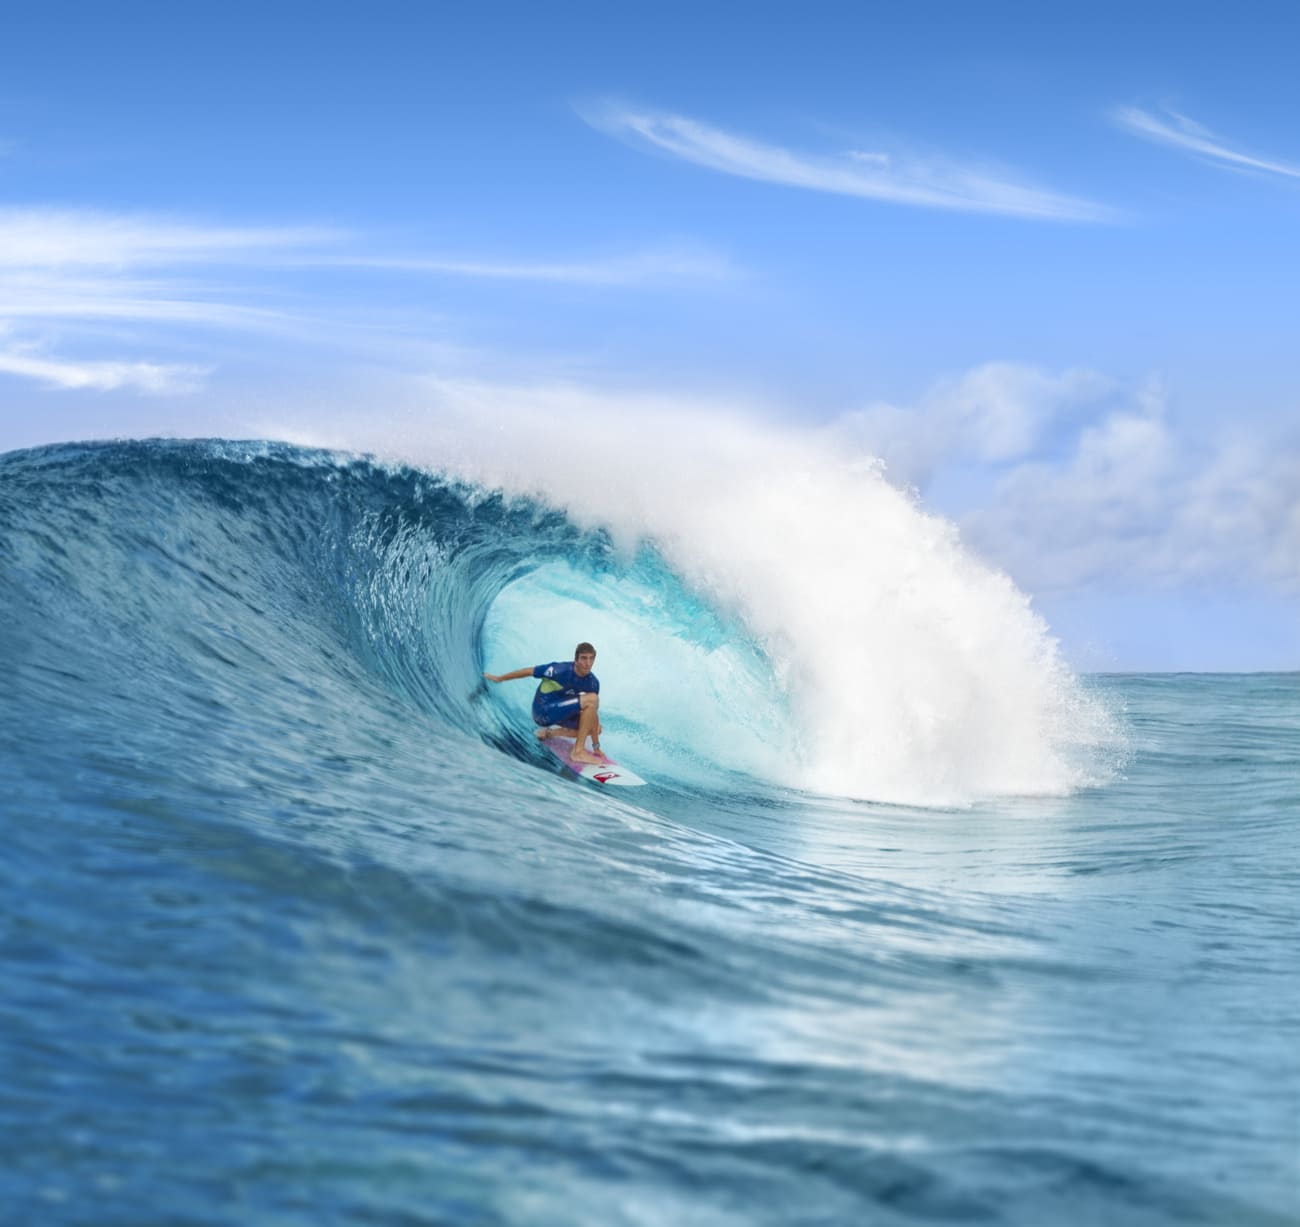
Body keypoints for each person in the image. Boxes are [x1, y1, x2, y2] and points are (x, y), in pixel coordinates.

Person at [483, 642, 605, 764]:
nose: (588, 663)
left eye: (591, 658)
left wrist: (596, 747)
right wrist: (499, 678)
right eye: (584, 658)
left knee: (594, 726)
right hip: (542, 711)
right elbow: (528, 671)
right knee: (592, 699)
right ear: (576, 659)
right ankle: (578, 752)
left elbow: (592, 714)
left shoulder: (592, 683)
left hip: (559, 714)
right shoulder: (558, 670)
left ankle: (550, 733)